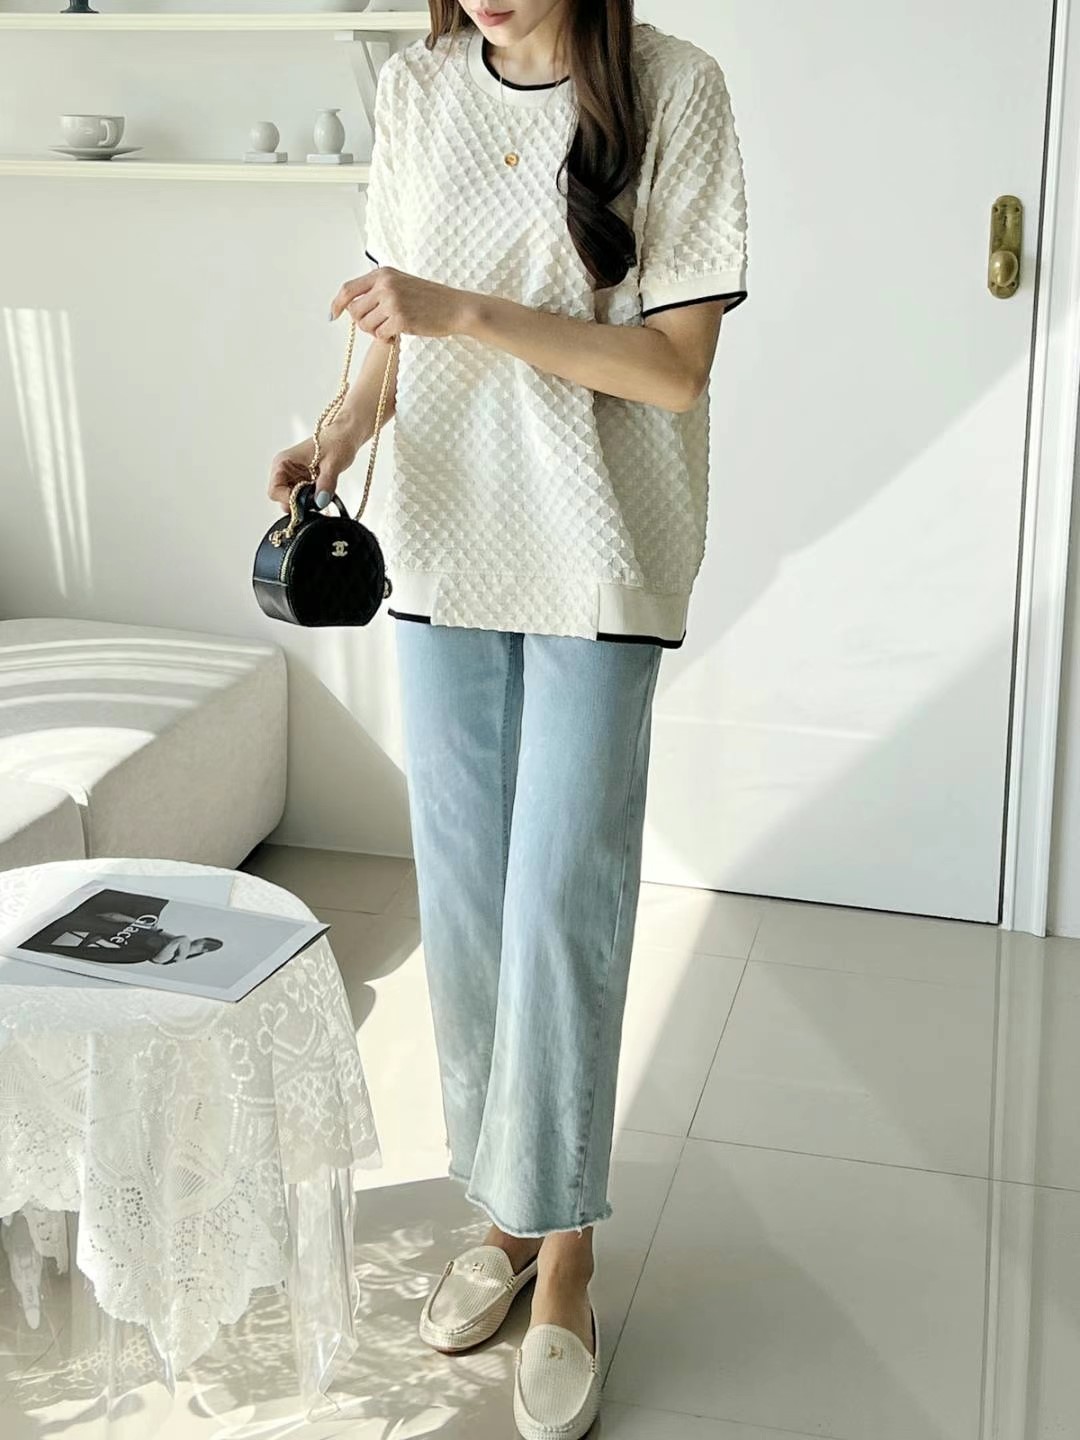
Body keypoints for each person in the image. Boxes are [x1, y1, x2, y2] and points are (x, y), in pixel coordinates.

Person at [269, 3, 747, 1435]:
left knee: (559, 904)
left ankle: (568, 1259)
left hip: (598, 547)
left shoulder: (676, 88)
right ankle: (506, 1216)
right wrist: (337, 432)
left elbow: (674, 369)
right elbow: (384, 337)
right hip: (444, 544)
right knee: (471, 908)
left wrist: (463, 310)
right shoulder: (419, 90)